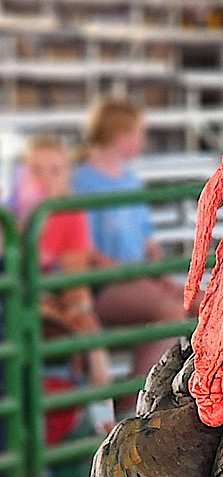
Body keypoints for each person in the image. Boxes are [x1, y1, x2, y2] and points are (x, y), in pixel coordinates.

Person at [72, 97, 191, 377]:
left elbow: (146, 239)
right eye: (139, 133)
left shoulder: (130, 179)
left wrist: (159, 274)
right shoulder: (79, 181)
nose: (142, 140)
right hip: (103, 283)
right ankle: (134, 401)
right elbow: (84, 250)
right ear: (120, 136)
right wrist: (132, 274)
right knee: (172, 311)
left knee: (202, 302)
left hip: (137, 276)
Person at [12, 135, 114, 433]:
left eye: (55, 170)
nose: (45, 178)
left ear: (66, 176)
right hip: (17, 304)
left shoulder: (71, 215)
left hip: (51, 303)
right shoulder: (9, 216)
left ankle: (103, 425)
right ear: (22, 173)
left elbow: (75, 284)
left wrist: (74, 309)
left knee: (88, 331)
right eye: (36, 169)